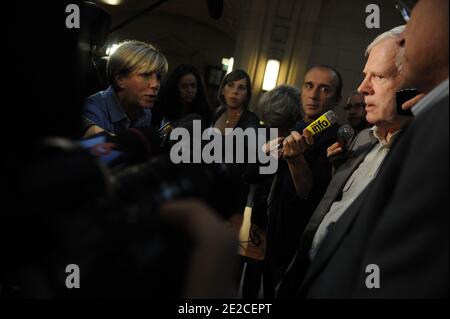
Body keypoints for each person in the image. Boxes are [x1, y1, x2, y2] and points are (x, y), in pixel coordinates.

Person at [279, 0, 448, 298]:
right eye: (364, 75)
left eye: (378, 77)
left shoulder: (426, 146)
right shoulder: (361, 140)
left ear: (411, 84)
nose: (362, 88)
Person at [262, 66, 343, 297]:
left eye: (324, 89)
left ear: (336, 99)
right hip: (274, 229)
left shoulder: (336, 139)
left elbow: (308, 193)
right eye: (309, 86)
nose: (314, 95)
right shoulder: (296, 126)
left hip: (298, 242)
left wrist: (296, 159)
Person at [82, 40, 168, 137]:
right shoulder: (91, 111)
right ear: (120, 79)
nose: (156, 84)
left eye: (159, 77)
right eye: (145, 75)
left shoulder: (145, 113)